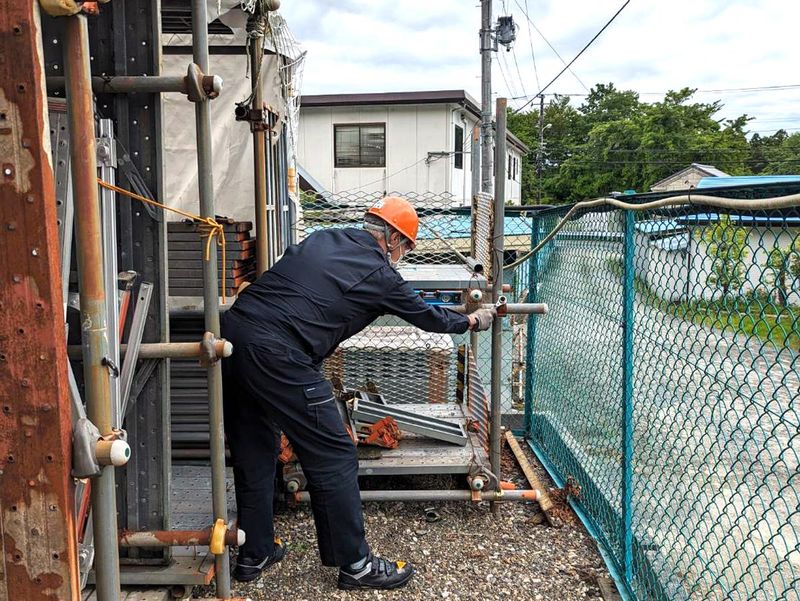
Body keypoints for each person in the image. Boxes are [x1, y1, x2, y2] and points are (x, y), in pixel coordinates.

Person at [220, 196, 495, 590]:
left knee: (254, 448)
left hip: (234, 336)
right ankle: (356, 565)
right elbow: (429, 317)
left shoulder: (324, 237)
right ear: (395, 239)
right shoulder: (381, 274)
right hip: (279, 353)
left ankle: (254, 550)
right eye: (406, 248)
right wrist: (470, 319)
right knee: (333, 452)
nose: (402, 255)